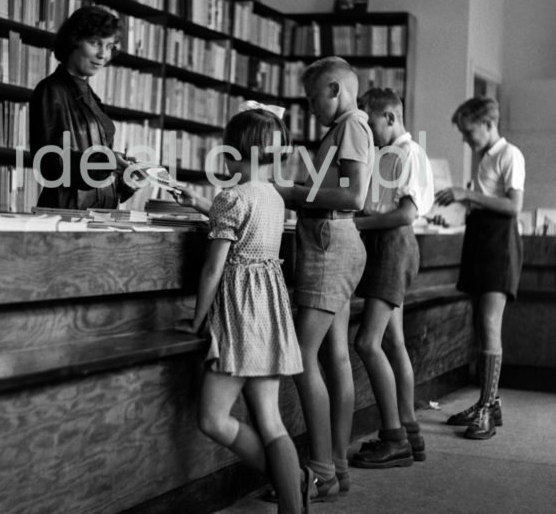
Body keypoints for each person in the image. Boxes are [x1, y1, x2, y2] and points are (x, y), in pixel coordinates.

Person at [176, 108, 310, 514]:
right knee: (271, 423)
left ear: (240, 153)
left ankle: (291, 480)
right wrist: (204, 206)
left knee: (212, 419)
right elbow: (243, 227)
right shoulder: (274, 197)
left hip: (236, 317)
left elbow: (213, 268)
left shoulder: (231, 197)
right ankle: (293, 491)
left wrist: (197, 321)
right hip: (268, 314)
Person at [273, 56, 373, 500]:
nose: (311, 109)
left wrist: (292, 193)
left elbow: (354, 195)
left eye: (314, 99)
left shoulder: (350, 126)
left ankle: (321, 471)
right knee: (334, 357)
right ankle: (337, 465)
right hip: (334, 239)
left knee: (299, 356)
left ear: (335, 89)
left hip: (331, 241)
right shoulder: (346, 127)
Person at [351, 88, 434, 468]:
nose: (367, 132)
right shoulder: (390, 155)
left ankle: (393, 437)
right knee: (393, 340)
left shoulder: (408, 153)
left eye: (370, 123)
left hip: (393, 247)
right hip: (387, 246)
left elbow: (405, 214)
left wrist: (359, 221)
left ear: (390, 117)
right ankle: (410, 431)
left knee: (367, 343)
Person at [435, 96, 525, 439]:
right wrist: (464, 202)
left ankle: (487, 407)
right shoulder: (486, 157)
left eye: (468, 131)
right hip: (481, 241)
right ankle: (490, 402)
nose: (465, 138)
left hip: (499, 245)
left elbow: (513, 206)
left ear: (488, 124)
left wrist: (466, 195)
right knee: (479, 323)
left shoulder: (509, 154)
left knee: (489, 323)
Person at [29, 6, 139, 210]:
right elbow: (49, 164)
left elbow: (99, 179)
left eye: (109, 46)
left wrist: (128, 178)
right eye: (95, 43)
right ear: (74, 41)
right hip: (65, 215)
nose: (102, 54)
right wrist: (106, 160)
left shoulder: (92, 98)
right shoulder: (51, 90)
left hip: (99, 217)